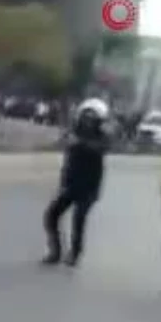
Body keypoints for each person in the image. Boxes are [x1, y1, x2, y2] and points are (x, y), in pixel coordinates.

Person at [42, 98, 110, 266]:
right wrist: (66, 139)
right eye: (85, 116)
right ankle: (55, 251)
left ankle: (75, 253)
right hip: (71, 183)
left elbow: (100, 148)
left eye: (92, 118)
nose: (88, 121)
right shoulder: (74, 131)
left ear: (99, 120)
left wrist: (79, 143)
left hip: (90, 187)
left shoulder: (102, 136)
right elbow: (64, 145)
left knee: (78, 218)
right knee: (51, 215)